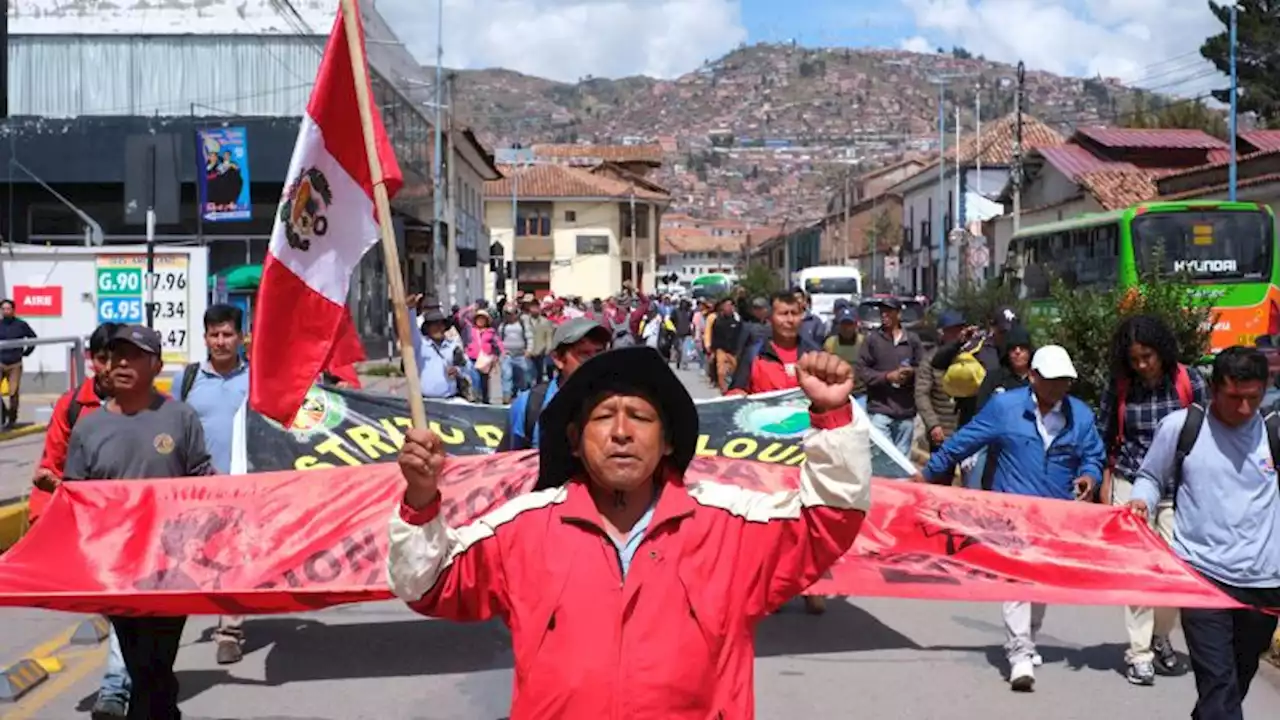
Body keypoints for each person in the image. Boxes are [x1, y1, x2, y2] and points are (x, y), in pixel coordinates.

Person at [388, 345, 871, 718]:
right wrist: (422, 499)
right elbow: (428, 585)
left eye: (640, 418)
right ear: (575, 442)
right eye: (603, 418)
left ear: (667, 443)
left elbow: (826, 521)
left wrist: (832, 417)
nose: (621, 432)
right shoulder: (524, 528)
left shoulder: (730, 527)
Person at [916, 345, 1105, 692]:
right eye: (1051, 381)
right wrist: (928, 474)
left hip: (1055, 515)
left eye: (1065, 381)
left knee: (1042, 581)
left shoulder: (1080, 415)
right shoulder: (1005, 408)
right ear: (1033, 377)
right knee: (1016, 579)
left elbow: (1092, 454)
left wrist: (1090, 477)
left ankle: (1029, 638)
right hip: (1011, 513)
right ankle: (1018, 652)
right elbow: (965, 443)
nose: (1058, 388)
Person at [63, 325, 215, 720]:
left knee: (156, 663)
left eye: (134, 355)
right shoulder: (89, 427)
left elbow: (201, 479)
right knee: (139, 662)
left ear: (157, 365)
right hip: (115, 567)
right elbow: (77, 495)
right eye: (116, 356)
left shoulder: (180, 417)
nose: (122, 363)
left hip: (170, 566)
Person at [1126, 347, 1280, 720]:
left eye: (1253, 398)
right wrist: (1141, 501)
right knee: (1217, 684)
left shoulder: (1274, 431)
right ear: (1212, 389)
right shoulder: (1182, 427)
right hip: (1202, 576)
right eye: (1233, 398)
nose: (1243, 409)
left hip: (1265, 583)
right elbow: (1150, 476)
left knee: (1234, 684)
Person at [1097, 315, 1206, 685]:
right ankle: (1138, 652)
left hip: (1180, 490)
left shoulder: (1189, 383)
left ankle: (1160, 638)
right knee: (1138, 572)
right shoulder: (1122, 386)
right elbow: (1105, 434)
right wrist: (1102, 479)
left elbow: (1209, 432)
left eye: (1148, 356)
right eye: (1135, 359)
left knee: (1175, 573)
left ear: (1162, 351)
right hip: (1131, 484)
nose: (1142, 365)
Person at [30, 322, 129, 719]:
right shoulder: (71, 406)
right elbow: (50, 465)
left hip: (131, 527)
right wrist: (44, 523)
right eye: (102, 358)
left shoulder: (148, 405)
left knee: (125, 608)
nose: (107, 367)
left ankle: (114, 687)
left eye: (116, 358)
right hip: (89, 530)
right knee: (117, 610)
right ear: (92, 360)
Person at [726, 290, 829, 614]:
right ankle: (773, 586)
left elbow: (831, 396)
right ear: (770, 317)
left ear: (803, 315)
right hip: (764, 453)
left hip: (807, 451)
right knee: (770, 521)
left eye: (794, 313)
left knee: (811, 519)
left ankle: (813, 584)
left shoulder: (814, 354)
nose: (789, 320)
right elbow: (737, 390)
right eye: (783, 313)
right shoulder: (756, 351)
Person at [180, 305, 252, 666]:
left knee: (231, 560)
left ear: (241, 336)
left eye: (227, 334)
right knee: (197, 560)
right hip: (199, 488)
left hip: (246, 487)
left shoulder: (257, 378)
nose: (220, 342)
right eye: (214, 335)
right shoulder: (189, 380)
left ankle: (229, 632)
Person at [503, 318, 612, 451]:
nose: (595, 362)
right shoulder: (530, 405)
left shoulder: (618, 401)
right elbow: (508, 462)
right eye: (584, 354)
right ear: (558, 359)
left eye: (599, 353)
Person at [930, 306, 1019, 429]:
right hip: (974, 421)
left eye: (1012, 331)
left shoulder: (1019, 351)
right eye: (1003, 332)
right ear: (992, 328)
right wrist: (958, 342)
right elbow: (937, 362)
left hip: (1006, 423)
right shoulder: (976, 346)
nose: (1007, 336)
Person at [856, 296, 923, 457]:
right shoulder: (872, 340)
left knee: (902, 462)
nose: (884, 315)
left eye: (888, 312)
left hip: (905, 412)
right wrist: (887, 377)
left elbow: (923, 368)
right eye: (882, 312)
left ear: (898, 315)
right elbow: (862, 371)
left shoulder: (912, 341)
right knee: (882, 458)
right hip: (880, 410)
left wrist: (911, 373)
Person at [916, 310, 964, 456]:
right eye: (952, 331)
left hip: (967, 430)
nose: (957, 334)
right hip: (942, 432)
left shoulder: (972, 356)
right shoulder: (930, 359)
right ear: (942, 333)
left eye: (959, 329)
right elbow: (921, 394)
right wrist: (933, 425)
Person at [0, 298, 38, 429]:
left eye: (8, 309)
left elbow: (33, 338)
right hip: (0, 362)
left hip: (15, 363)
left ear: (13, 310)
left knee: (13, 393)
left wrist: (27, 352)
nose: (6, 311)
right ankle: (3, 414)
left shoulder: (20, 325)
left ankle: (12, 419)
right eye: (3, 309)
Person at [413, 307, 466, 400]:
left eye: (441, 324)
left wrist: (457, 370)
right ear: (427, 328)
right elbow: (411, 328)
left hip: (450, 399)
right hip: (426, 401)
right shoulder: (420, 345)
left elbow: (465, 367)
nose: (439, 328)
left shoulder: (453, 347)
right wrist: (410, 309)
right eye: (435, 325)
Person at [823, 302, 866, 407]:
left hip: (860, 393)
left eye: (849, 324)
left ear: (855, 325)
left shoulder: (864, 342)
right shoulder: (830, 343)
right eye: (843, 324)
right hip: (837, 392)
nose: (846, 328)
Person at [464, 309, 501, 404]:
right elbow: (461, 318)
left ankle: (485, 399)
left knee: (484, 381)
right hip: (473, 357)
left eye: (483, 319)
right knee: (475, 379)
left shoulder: (491, 331)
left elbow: (497, 343)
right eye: (479, 319)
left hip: (485, 359)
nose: (480, 321)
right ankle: (477, 397)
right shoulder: (470, 330)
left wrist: (500, 354)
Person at [709, 296, 742, 393]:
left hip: (734, 351)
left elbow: (740, 336)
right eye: (727, 305)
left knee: (734, 371)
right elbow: (714, 336)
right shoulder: (718, 321)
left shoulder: (737, 321)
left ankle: (733, 389)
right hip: (721, 350)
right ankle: (723, 391)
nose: (729, 307)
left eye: (731, 305)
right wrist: (713, 351)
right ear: (723, 307)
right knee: (721, 372)